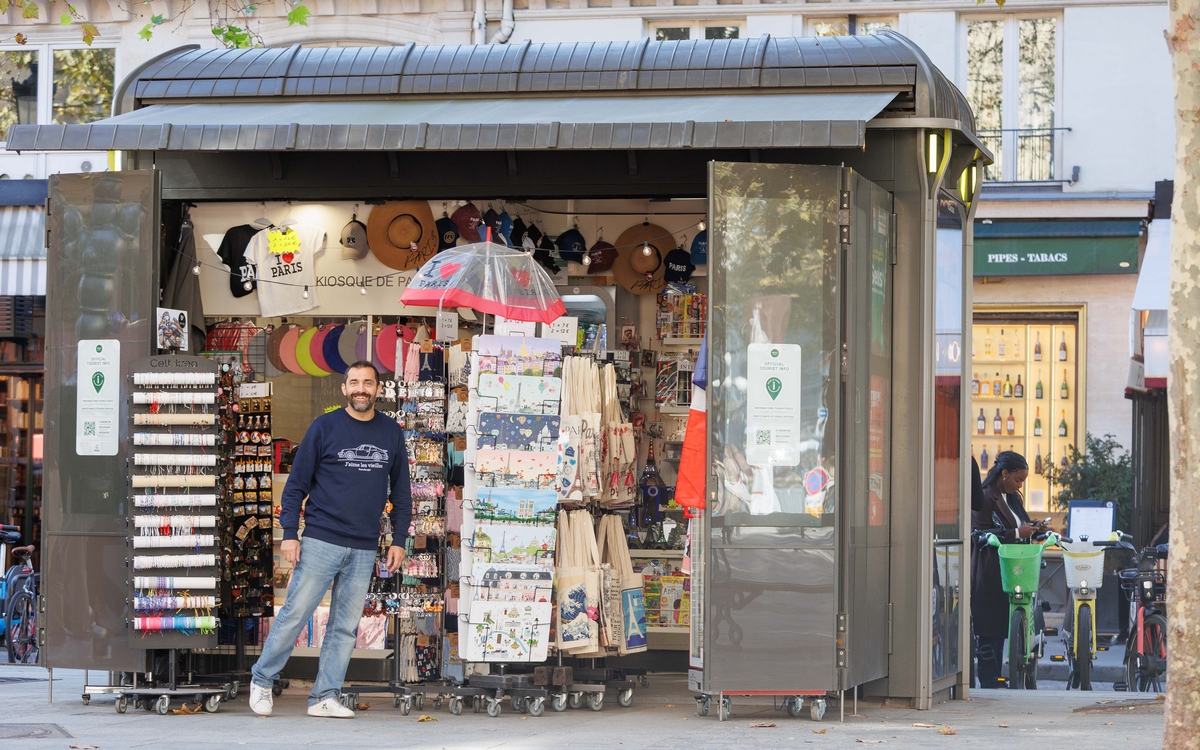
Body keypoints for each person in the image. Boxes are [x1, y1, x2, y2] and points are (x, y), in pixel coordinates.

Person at [249, 361, 411, 718]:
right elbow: (295, 487)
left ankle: (325, 695)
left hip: (366, 545)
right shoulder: (325, 427)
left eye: (368, 383)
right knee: (294, 614)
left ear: (378, 390)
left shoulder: (391, 432)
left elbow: (402, 492)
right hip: (322, 539)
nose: (361, 389)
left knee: (345, 627)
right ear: (344, 388)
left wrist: (399, 540)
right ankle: (261, 680)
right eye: (354, 382)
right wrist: (290, 534)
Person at [970, 450, 1046, 688]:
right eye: (1018, 479)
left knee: (1002, 625)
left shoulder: (1012, 497)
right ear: (1004, 474)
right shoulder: (985, 497)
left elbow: (1018, 525)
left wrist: (1034, 528)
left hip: (1014, 569)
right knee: (989, 629)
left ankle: (998, 677)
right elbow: (979, 533)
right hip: (990, 570)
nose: (1020, 485)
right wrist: (1016, 533)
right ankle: (990, 679)